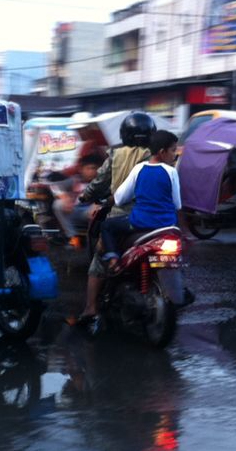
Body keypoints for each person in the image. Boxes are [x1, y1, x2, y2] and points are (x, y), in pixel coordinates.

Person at [76, 112, 155, 322]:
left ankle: (91, 308)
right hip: (158, 218)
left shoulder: (116, 155)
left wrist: (85, 196)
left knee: (98, 262)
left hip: (124, 216)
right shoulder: (159, 154)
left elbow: (100, 181)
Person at [101, 130, 181, 269]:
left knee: (107, 226)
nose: (175, 154)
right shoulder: (171, 171)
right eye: (173, 150)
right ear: (162, 152)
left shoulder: (138, 169)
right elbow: (177, 204)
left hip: (140, 223)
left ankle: (113, 259)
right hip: (167, 225)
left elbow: (119, 199)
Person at [51, 152, 104, 243]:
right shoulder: (75, 179)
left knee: (98, 211)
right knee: (57, 204)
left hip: (88, 212)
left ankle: (97, 240)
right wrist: (64, 197)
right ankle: (72, 237)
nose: (92, 171)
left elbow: (107, 196)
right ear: (81, 169)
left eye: (94, 168)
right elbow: (54, 186)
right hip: (73, 211)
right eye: (88, 168)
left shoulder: (100, 182)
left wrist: (98, 204)